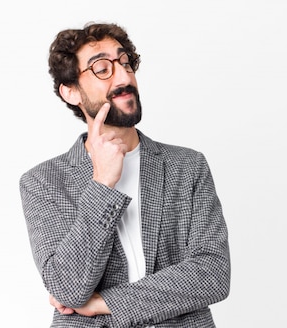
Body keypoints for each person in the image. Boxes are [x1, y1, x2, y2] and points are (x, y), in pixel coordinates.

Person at [19, 21, 230, 328]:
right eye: (102, 68)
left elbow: (212, 274)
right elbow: (68, 287)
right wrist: (103, 183)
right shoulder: (44, 182)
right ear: (71, 92)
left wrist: (104, 303)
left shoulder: (187, 166)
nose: (123, 76)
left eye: (125, 63)